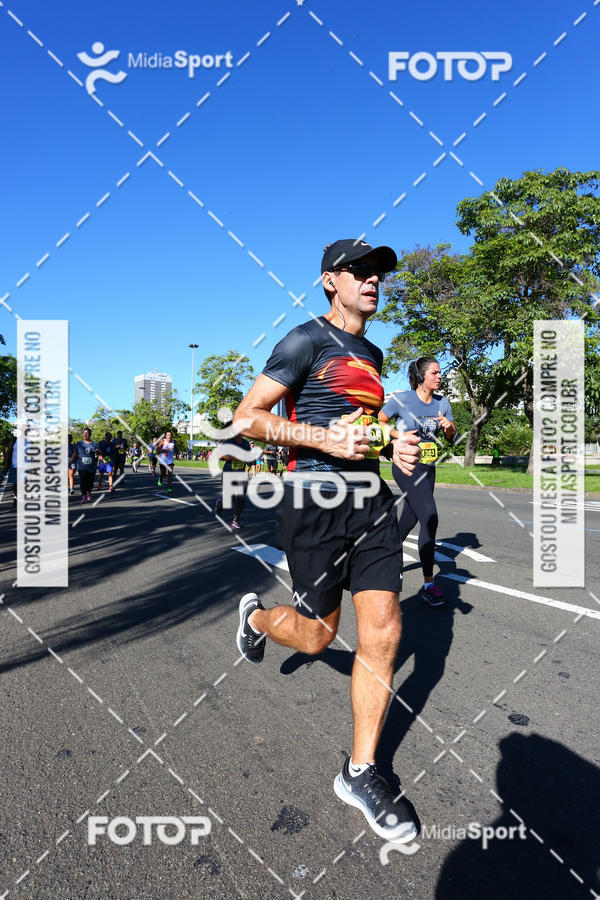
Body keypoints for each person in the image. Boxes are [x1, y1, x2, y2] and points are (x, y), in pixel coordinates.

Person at [233, 239, 421, 844]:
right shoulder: (304, 340)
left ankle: (360, 771)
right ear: (328, 282)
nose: (372, 281)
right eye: (359, 272)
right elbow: (247, 418)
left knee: (386, 627)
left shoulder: (372, 350)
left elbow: (366, 426)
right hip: (313, 496)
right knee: (316, 636)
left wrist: (394, 443)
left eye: (378, 274)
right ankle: (258, 619)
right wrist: (323, 439)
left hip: (370, 500)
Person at [378, 357, 456, 608]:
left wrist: (448, 427)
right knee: (430, 517)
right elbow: (378, 420)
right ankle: (429, 584)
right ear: (421, 376)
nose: (439, 376)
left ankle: (386, 558)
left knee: (410, 518)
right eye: (435, 372)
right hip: (406, 466)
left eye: (440, 372)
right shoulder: (402, 399)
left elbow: (452, 437)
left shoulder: (443, 403)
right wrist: (395, 438)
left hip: (428, 468)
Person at [214, 432, 252, 528]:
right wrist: (235, 457)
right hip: (229, 473)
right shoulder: (229, 442)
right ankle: (219, 504)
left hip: (241, 474)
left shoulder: (246, 444)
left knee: (241, 498)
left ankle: (236, 519)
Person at [71, 427, 100, 502]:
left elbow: (99, 454)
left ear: (90, 434)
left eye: (87, 433)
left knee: (90, 481)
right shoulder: (79, 443)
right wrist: (70, 462)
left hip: (91, 466)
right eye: (84, 433)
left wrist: (97, 451)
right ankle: (83, 495)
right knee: (83, 480)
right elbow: (75, 453)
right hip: (82, 466)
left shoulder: (94, 444)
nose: (85, 434)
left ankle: (89, 492)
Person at [2, 431, 18, 508]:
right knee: (15, 483)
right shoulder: (14, 440)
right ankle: (16, 498)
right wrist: (6, 465)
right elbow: (9, 452)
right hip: (14, 465)